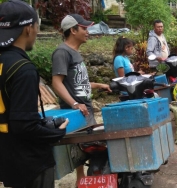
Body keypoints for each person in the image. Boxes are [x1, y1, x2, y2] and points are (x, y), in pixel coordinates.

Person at [0, 0, 68, 187]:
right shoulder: (22, 69)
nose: (37, 32)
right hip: (31, 164)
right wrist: (56, 132)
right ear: (28, 28)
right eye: (37, 26)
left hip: (8, 159)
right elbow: (25, 126)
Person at [51, 14, 111, 186]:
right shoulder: (62, 52)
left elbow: (80, 83)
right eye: (84, 28)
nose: (88, 32)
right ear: (73, 30)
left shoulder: (75, 53)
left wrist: (100, 85)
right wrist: (75, 104)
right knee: (82, 151)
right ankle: (82, 182)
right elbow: (56, 82)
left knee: (86, 152)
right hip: (77, 113)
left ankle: (85, 182)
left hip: (85, 110)